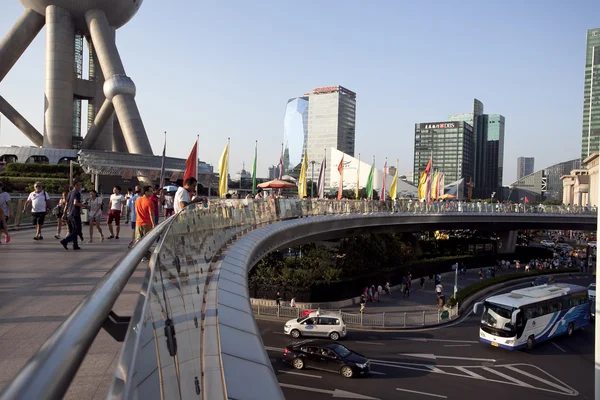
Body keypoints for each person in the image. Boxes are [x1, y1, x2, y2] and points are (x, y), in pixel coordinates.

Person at [60, 182, 86, 250]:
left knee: (73, 230)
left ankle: (75, 245)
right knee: (77, 230)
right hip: (75, 213)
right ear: (76, 185)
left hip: (70, 213)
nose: (80, 186)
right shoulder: (77, 193)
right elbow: (75, 203)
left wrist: (64, 213)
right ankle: (65, 241)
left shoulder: (70, 192)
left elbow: (67, 203)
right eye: (79, 185)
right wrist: (85, 206)